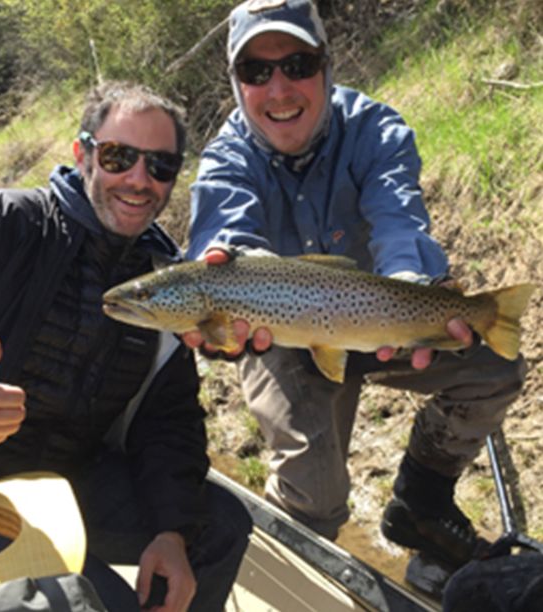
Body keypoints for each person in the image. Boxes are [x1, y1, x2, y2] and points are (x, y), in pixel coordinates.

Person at [184, 0, 527, 576]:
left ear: (327, 66)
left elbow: (398, 219)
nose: (279, 88)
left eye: (297, 63)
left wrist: (413, 287)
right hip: (284, 340)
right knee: (313, 502)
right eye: (256, 71)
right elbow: (227, 236)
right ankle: (300, 570)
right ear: (236, 83)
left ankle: (421, 505)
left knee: (494, 369)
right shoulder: (225, 160)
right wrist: (233, 276)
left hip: (385, 320)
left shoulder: (376, 131)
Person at [0, 80, 252, 612]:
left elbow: (169, 422)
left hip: (64, 480)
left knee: (219, 526)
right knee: (88, 599)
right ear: (83, 154)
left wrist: (171, 531)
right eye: (120, 156)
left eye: (161, 166)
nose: (139, 180)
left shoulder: (168, 282)